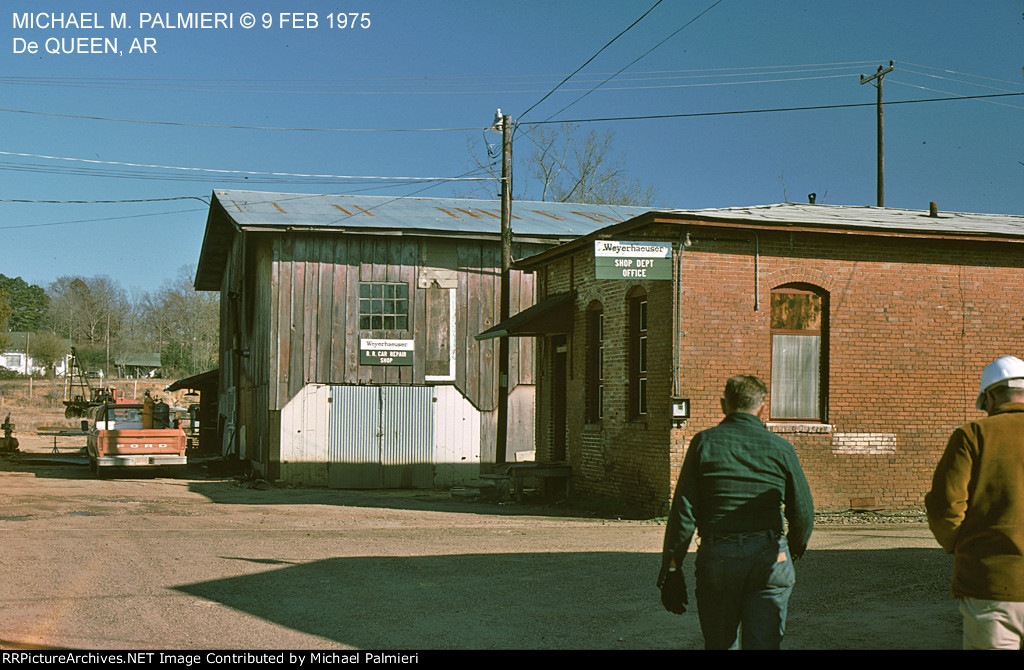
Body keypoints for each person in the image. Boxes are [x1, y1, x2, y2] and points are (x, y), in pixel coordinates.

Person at [658, 374, 814, 649]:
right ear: (763, 407)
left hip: (719, 556)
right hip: (769, 553)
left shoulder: (704, 443)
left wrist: (672, 567)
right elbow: (802, 511)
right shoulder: (781, 448)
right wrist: (791, 547)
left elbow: (684, 512)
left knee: (719, 644)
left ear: (723, 405)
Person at [925, 355, 1024, 649]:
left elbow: (945, 506)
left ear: (990, 397)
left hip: (991, 584)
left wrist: (960, 544)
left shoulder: (973, 436)